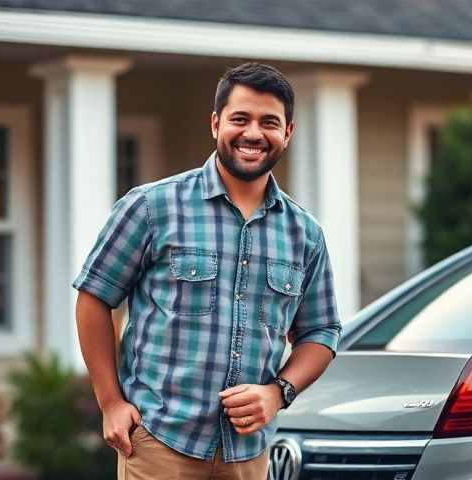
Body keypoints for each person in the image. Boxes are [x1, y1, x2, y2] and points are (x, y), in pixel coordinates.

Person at [73, 62, 342, 480]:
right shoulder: (151, 207)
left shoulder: (304, 233)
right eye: (240, 118)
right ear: (216, 124)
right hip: (158, 441)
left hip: (248, 453)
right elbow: (94, 298)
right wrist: (110, 402)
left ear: (287, 132)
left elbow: (321, 332)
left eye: (269, 122)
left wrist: (278, 393)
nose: (253, 133)